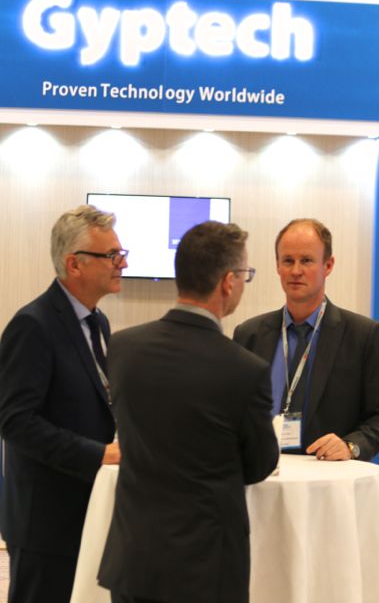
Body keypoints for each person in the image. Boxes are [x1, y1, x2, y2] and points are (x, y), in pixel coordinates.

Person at [98, 221, 279, 603]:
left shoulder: (123, 348)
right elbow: (259, 464)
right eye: (245, 274)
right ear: (227, 282)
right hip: (206, 569)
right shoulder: (245, 370)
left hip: (133, 561)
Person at [0, 204, 127, 603]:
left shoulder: (98, 322)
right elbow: (16, 422)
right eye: (112, 255)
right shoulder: (32, 325)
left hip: (85, 510)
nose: (122, 263)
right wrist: (98, 454)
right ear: (75, 264)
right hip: (44, 522)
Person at [234, 218, 379, 462]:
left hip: (326, 476)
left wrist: (351, 446)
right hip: (261, 474)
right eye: (288, 260)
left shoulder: (363, 335)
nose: (295, 271)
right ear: (277, 266)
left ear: (328, 265)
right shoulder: (249, 334)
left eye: (307, 260)